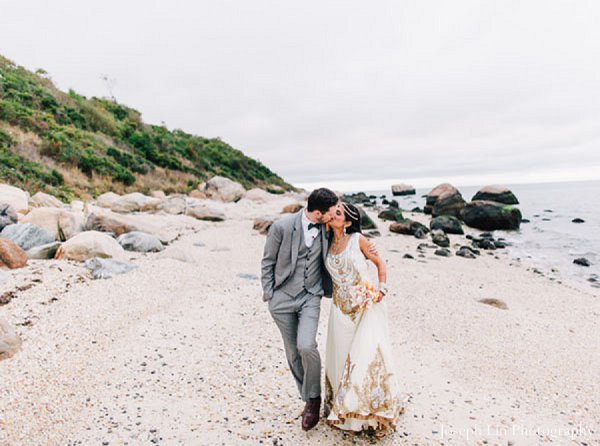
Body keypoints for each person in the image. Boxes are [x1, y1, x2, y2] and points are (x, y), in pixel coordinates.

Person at [261, 188, 339, 431]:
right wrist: (269, 294)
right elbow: (267, 261)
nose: (333, 215)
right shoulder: (281, 227)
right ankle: (307, 397)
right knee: (293, 352)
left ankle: (313, 400)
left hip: (310, 296)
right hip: (281, 298)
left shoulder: (328, 227)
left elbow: (350, 233)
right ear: (318, 213)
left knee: (306, 345)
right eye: (330, 212)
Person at [324, 202, 404, 437]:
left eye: (338, 213)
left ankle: (369, 413)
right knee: (340, 357)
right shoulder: (327, 241)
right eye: (332, 211)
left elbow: (380, 263)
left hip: (365, 308)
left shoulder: (358, 239)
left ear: (347, 222)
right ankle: (343, 410)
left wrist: (382, 290)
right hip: (339, 310)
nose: (333, 215)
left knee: (365, 358)